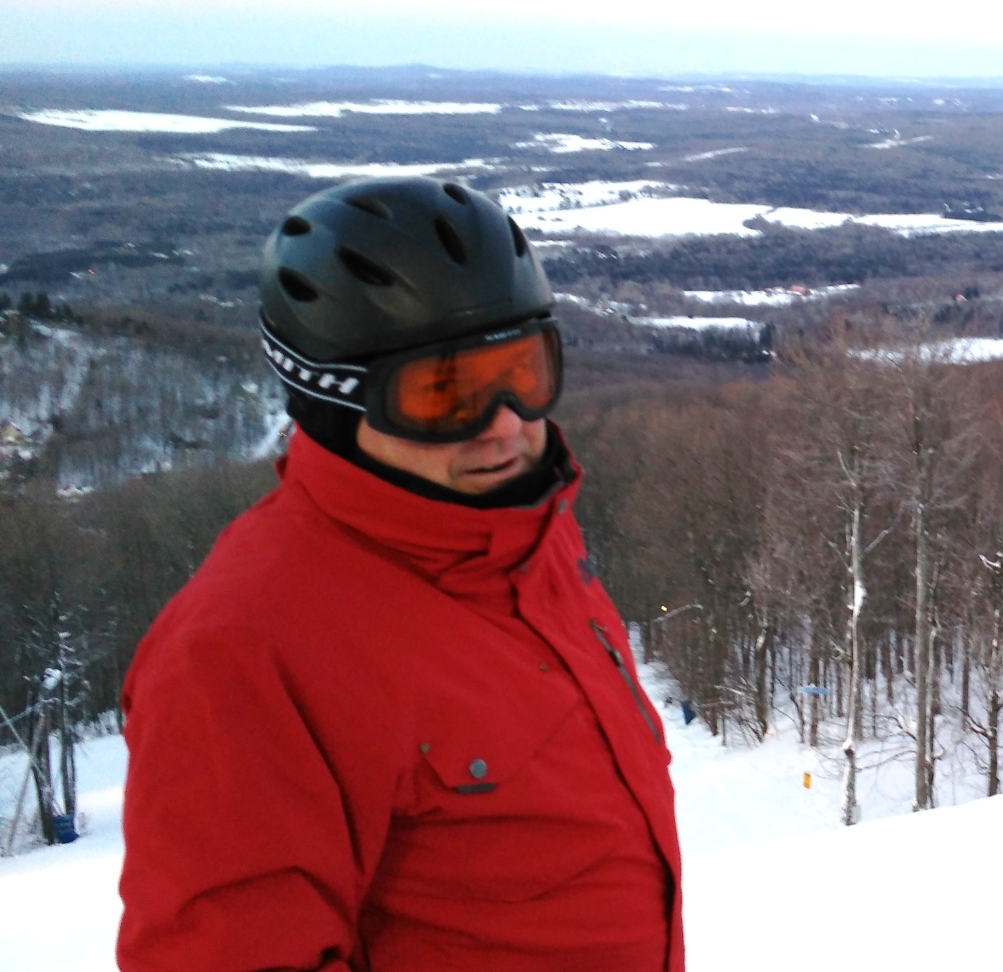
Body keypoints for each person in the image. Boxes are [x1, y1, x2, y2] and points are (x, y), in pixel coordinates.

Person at [117, 177, 682, 971]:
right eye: (445, 394)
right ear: (335, 406)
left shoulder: (527, 535)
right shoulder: (244, 648)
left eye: (524, 371)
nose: (506, 425)